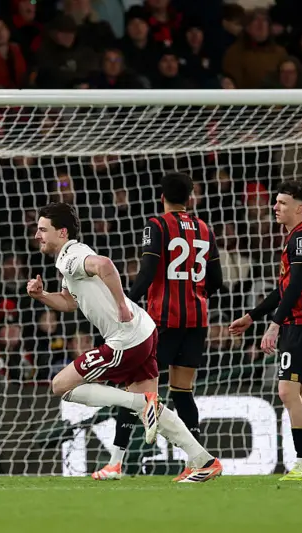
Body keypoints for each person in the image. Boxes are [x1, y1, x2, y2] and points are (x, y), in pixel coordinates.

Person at [27, 202, 221, 483]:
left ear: (62, 232)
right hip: (144, 330)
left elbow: (105, 265)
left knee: (61, 385)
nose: (37, 235)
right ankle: (204, 461)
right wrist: (42, 296)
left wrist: (120, 303)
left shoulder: (72, 256)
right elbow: (69, 302)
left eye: (43, 229)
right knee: (152, 408)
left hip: (126, 339)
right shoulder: (69, 258)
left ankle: (141, 405)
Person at [93, 172, 223, 482]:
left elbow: (148, 270)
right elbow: (216, 280)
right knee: (182, 391)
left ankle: (115, 464)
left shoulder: (157, 225)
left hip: (163, 321)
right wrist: (194, 294)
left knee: (134, 390)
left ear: (161, 196)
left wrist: (125, 303)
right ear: (190, 198)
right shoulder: (205, 229)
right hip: (196, 322)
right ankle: (197, 462)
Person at [229, 180, 302, 481]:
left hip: (301, 324)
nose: (275, 207)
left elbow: (295, 286)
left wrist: (274, 325)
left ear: (299, 208)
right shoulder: (299, 237)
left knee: (287, 391)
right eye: (276, 201)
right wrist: (252, 316)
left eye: (282, 203)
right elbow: (284, 289)